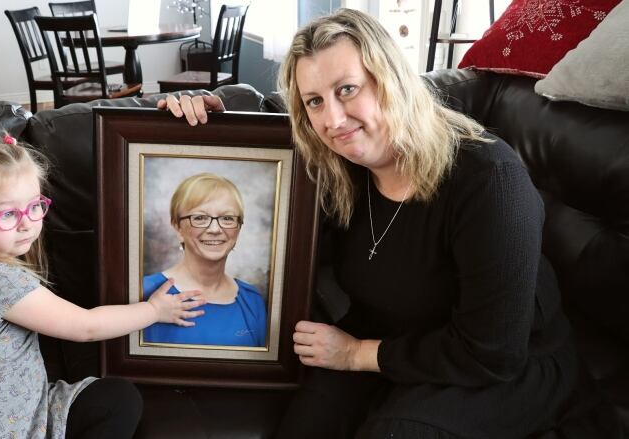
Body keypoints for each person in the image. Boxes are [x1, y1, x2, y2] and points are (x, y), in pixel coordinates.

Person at [158, 8, 622, 439]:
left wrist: (356, 355)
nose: (334, 120)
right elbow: (271, 125)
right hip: (393, 337)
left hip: (507, 362)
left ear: (391, 79)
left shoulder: (489, 178)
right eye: (314, 101)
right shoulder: (340, 164)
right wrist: (212, 112)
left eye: (347, 89)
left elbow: (493, 352)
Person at [0, 134, 205, 438]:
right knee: (118, 400)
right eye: (7, 214)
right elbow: (85, 327)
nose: (27, 223)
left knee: (116, 398)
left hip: (11, 405)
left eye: (34, 206)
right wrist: (154, 310)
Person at [142, 172, 267, 347]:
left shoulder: (252, 300)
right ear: (178, 228)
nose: (215, 229)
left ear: (238, 228)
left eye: (227, 218)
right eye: (200, 218)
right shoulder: (145, 292)